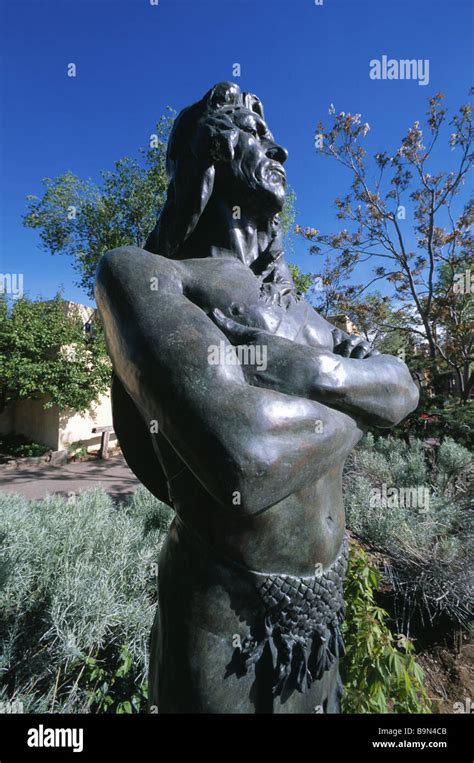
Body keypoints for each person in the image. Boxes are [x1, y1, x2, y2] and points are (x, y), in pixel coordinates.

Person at [95, 82, 419, 713]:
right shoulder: (148, 275)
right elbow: (246, 456)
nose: (282, 149)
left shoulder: (299, 312)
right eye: (256, 130)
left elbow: (403, 387)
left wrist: (300, 370)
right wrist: (359, 397)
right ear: (209, 153)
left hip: (324, 621)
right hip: (225, 627)